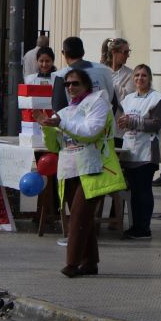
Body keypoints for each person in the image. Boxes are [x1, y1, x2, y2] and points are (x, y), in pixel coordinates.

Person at [40, 69, 110, 276]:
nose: (70, 87)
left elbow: (91, 132)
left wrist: (60, 123)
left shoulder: (97, 103)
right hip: (69, 169)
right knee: (83, 218)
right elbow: (54, 146)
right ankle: (90, 263)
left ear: (86, 85)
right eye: (67, 84)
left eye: (75, 83)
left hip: (92, 167)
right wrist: (47, 128)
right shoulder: (63, 112)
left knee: (78, 217)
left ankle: (72, 264)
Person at [117, 64, 161, 240]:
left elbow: (156, 123)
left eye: (144, 75)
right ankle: (135, 226)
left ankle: (144, 227)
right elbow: (124, 120)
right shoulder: (128, 99)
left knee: (144, 190)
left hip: (147, 150)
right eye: (137, 75)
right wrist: (122, 122)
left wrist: (132, 122)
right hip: (131, 148)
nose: (140, 78)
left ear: (150, 78)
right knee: (134, 191)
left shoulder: (156, 98)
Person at [50, 36, 116, 113]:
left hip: (74, 120)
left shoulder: (61, 75)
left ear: (64, 53)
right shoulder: (104, 70)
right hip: (103, 118)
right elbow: (114, 103)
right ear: (83, 52)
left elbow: (58, 108)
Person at [101, 37, 135, 103]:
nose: (128, 56)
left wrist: (108, 84)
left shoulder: (130, 74)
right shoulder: (101, 71)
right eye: (125, 52)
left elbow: (128, 98)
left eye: (128, 52)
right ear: (114, 52)